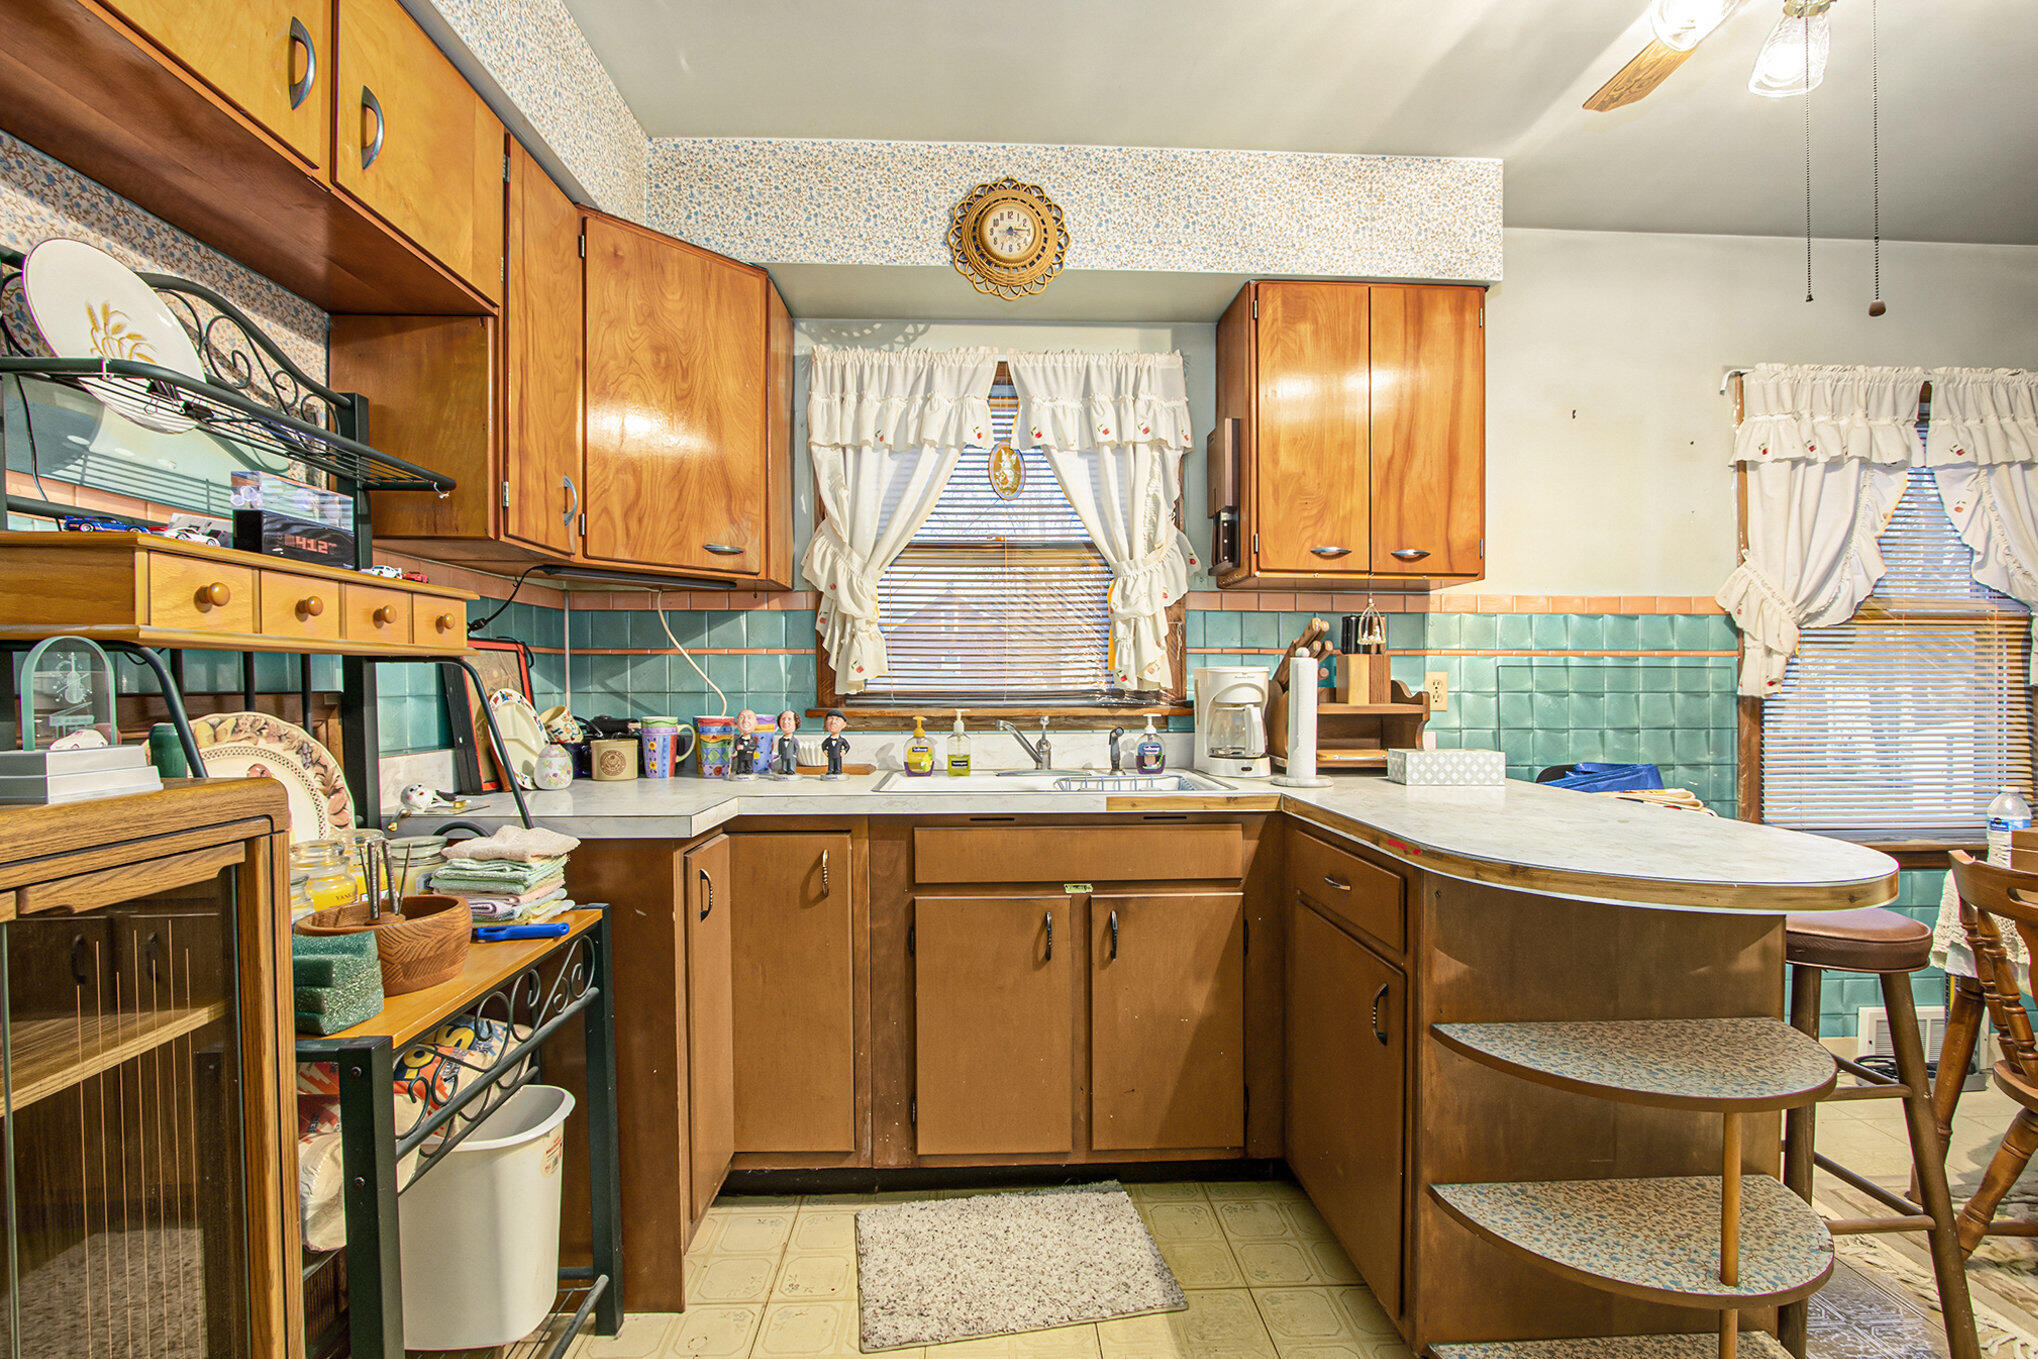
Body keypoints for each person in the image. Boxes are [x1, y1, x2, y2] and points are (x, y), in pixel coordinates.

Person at [820, 708, 850, 781]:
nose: (833, 722)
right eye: (830, 719)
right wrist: (825, 750)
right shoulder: (828, 740)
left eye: (837, 719)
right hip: (830, 755)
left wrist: (844, 751)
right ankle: (830, 770)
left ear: (844, 724)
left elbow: (847, 746)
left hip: (838, 755)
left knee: (838, 762)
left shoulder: (841, 740)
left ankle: (838, 770)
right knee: (830, 763)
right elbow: (823, 745)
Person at [771, 709, 800, 778]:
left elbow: (797, 747)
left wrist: (794, 755)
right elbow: (779, 747)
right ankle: (784, 769)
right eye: (783, 719)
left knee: (791, 763)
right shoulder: (781, 740)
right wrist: (780, 754)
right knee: (783, 762)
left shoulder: (794, 740)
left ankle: (791, 769)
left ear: (796, 722)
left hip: (791, 756)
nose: (785, 722)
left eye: (789, 719)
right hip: (783, 755)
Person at [730, 708, 758, 779]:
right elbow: (736, 746)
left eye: (749, 718)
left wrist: (744, 748)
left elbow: (753, 747)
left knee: (748, 764)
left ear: (755, 724)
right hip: (740, 756)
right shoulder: (739, 740)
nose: (745, 721)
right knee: (741, 763)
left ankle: (749, 770)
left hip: (749, 756)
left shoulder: (753, 740)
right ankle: (740, 769)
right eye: (742, 717)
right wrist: (737, 747)